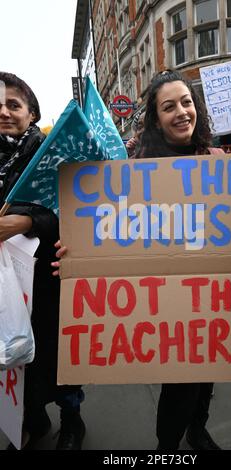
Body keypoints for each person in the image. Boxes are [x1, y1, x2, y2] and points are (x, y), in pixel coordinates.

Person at [135, 69, 231, 450]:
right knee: (180, 379)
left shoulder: (218, 159)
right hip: (167, 291)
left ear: (197, 108)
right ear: (156, 119)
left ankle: (198, 427)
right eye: (168, 106)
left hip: (212, 291)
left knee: (209, 369)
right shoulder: (138, 170)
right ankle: (168, 446)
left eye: (186, 102)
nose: (181, 112)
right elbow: (118, 233)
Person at [0, 72, 85, 450]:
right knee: (15, 358)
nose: (3, 112)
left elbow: (76, 212)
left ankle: (72, 422)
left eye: (13, 105)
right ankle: (32, 418)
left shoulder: (51, 156)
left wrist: (29, 221)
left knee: (58, 358)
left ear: (31, 113)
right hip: (6, 285)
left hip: (49, 280)